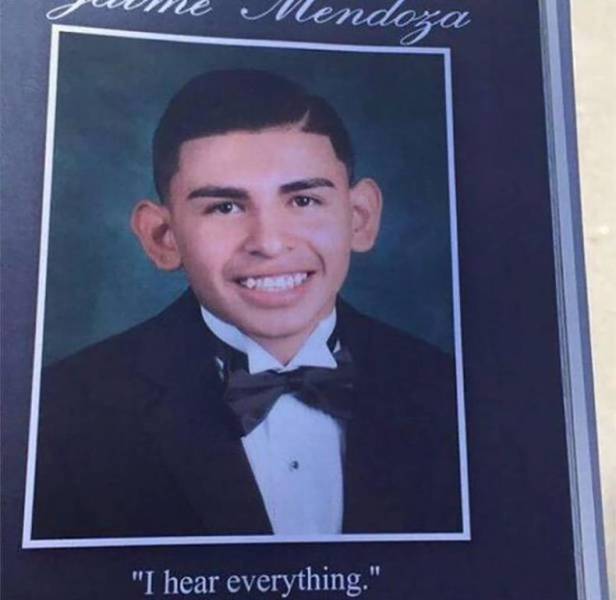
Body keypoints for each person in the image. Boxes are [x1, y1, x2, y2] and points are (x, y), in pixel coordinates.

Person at [32, 69, 461, 539]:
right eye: (225, 207)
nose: (269, 243)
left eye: (303, 200)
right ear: (162, 236)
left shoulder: (451, 392)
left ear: (359, 217)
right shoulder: (59, 414)